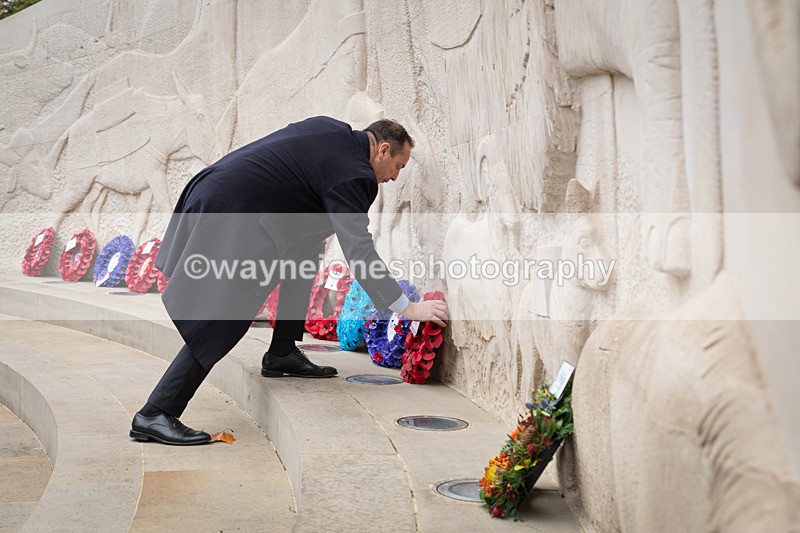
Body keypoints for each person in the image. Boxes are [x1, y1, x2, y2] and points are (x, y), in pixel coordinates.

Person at [129, 116, 449, 445]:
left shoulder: (332, 131)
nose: (395, 177)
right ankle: (155, 412)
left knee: (307, 252)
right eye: (398, 165)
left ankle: (282, 351)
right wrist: (407, 308)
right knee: (224, 317)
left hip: (214, 190)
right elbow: (359, 251)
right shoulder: (355, 173)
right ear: (382, 150)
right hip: (230, 214)